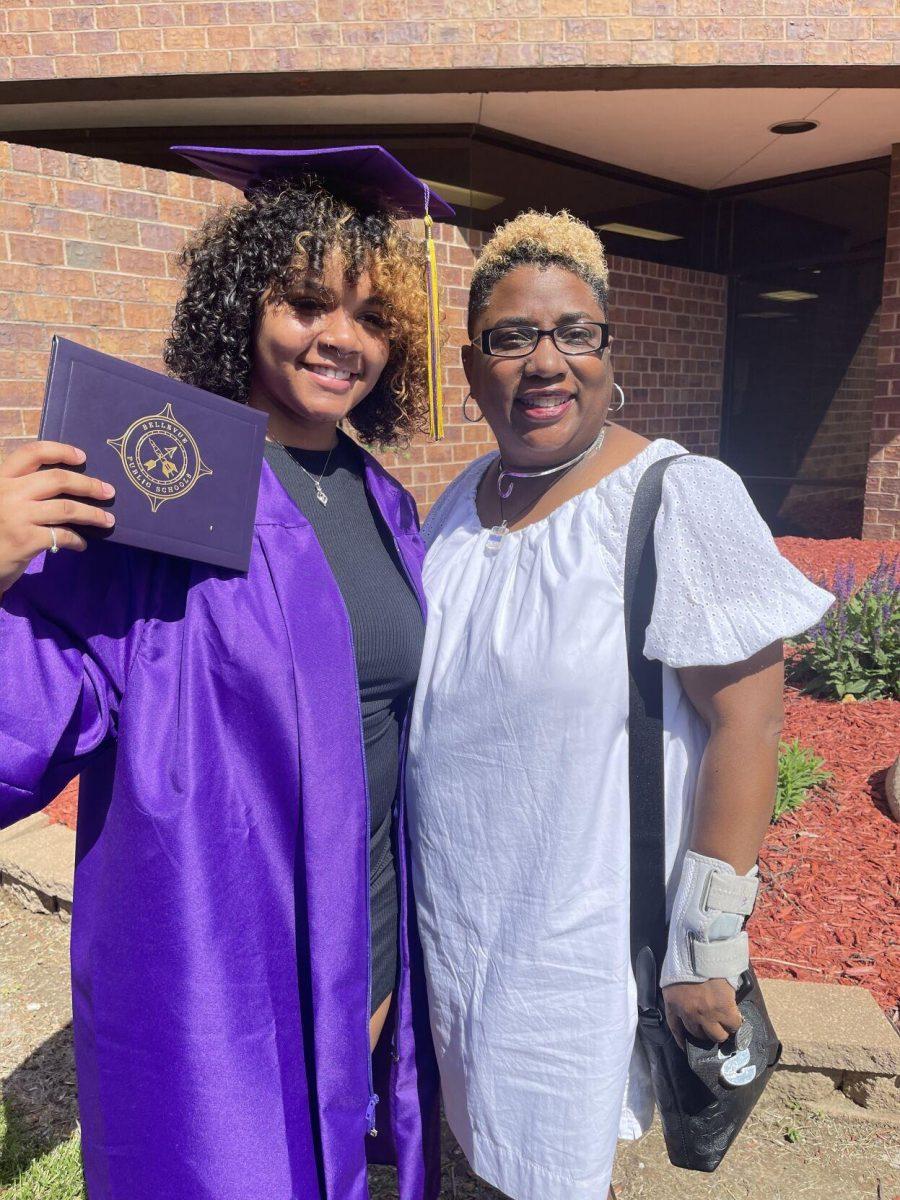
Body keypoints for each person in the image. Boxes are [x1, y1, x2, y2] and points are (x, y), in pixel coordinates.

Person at [0, 146, 454, 1200]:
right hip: (222, 969)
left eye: (373, 316)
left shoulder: (386, 503)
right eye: (306, 302)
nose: (342, 338)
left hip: (367, 951)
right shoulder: (161, 497)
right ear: (241, 307)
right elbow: (30, 714)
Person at [406, 211, 834, 1200]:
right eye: (512, 337)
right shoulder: (461, 505)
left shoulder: (676, 500)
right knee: (465, 1157)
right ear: (473, 373)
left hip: (573, 948)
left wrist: (705, 946)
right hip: (454, 932)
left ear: (608, 356)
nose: (545, 361)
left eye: (574, 333)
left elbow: (747, 725)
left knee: (546, 1167)